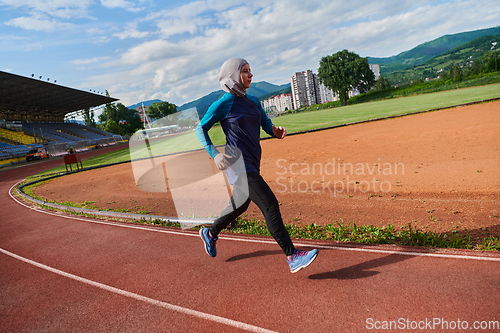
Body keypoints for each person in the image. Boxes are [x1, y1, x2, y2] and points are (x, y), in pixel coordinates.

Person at [196, 57, 318, 273]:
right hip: (238, 164)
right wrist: (214, 154)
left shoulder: (253, 101)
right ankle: (292, 256)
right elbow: (200, 129)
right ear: (233, 75)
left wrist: (275, 131)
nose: (250, 74)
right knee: (269, 203)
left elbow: (264, 122)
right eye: (244, 71)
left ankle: (211, 233)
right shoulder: (223, 104)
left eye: (250, 70)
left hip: (253, 162)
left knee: (240, 205)